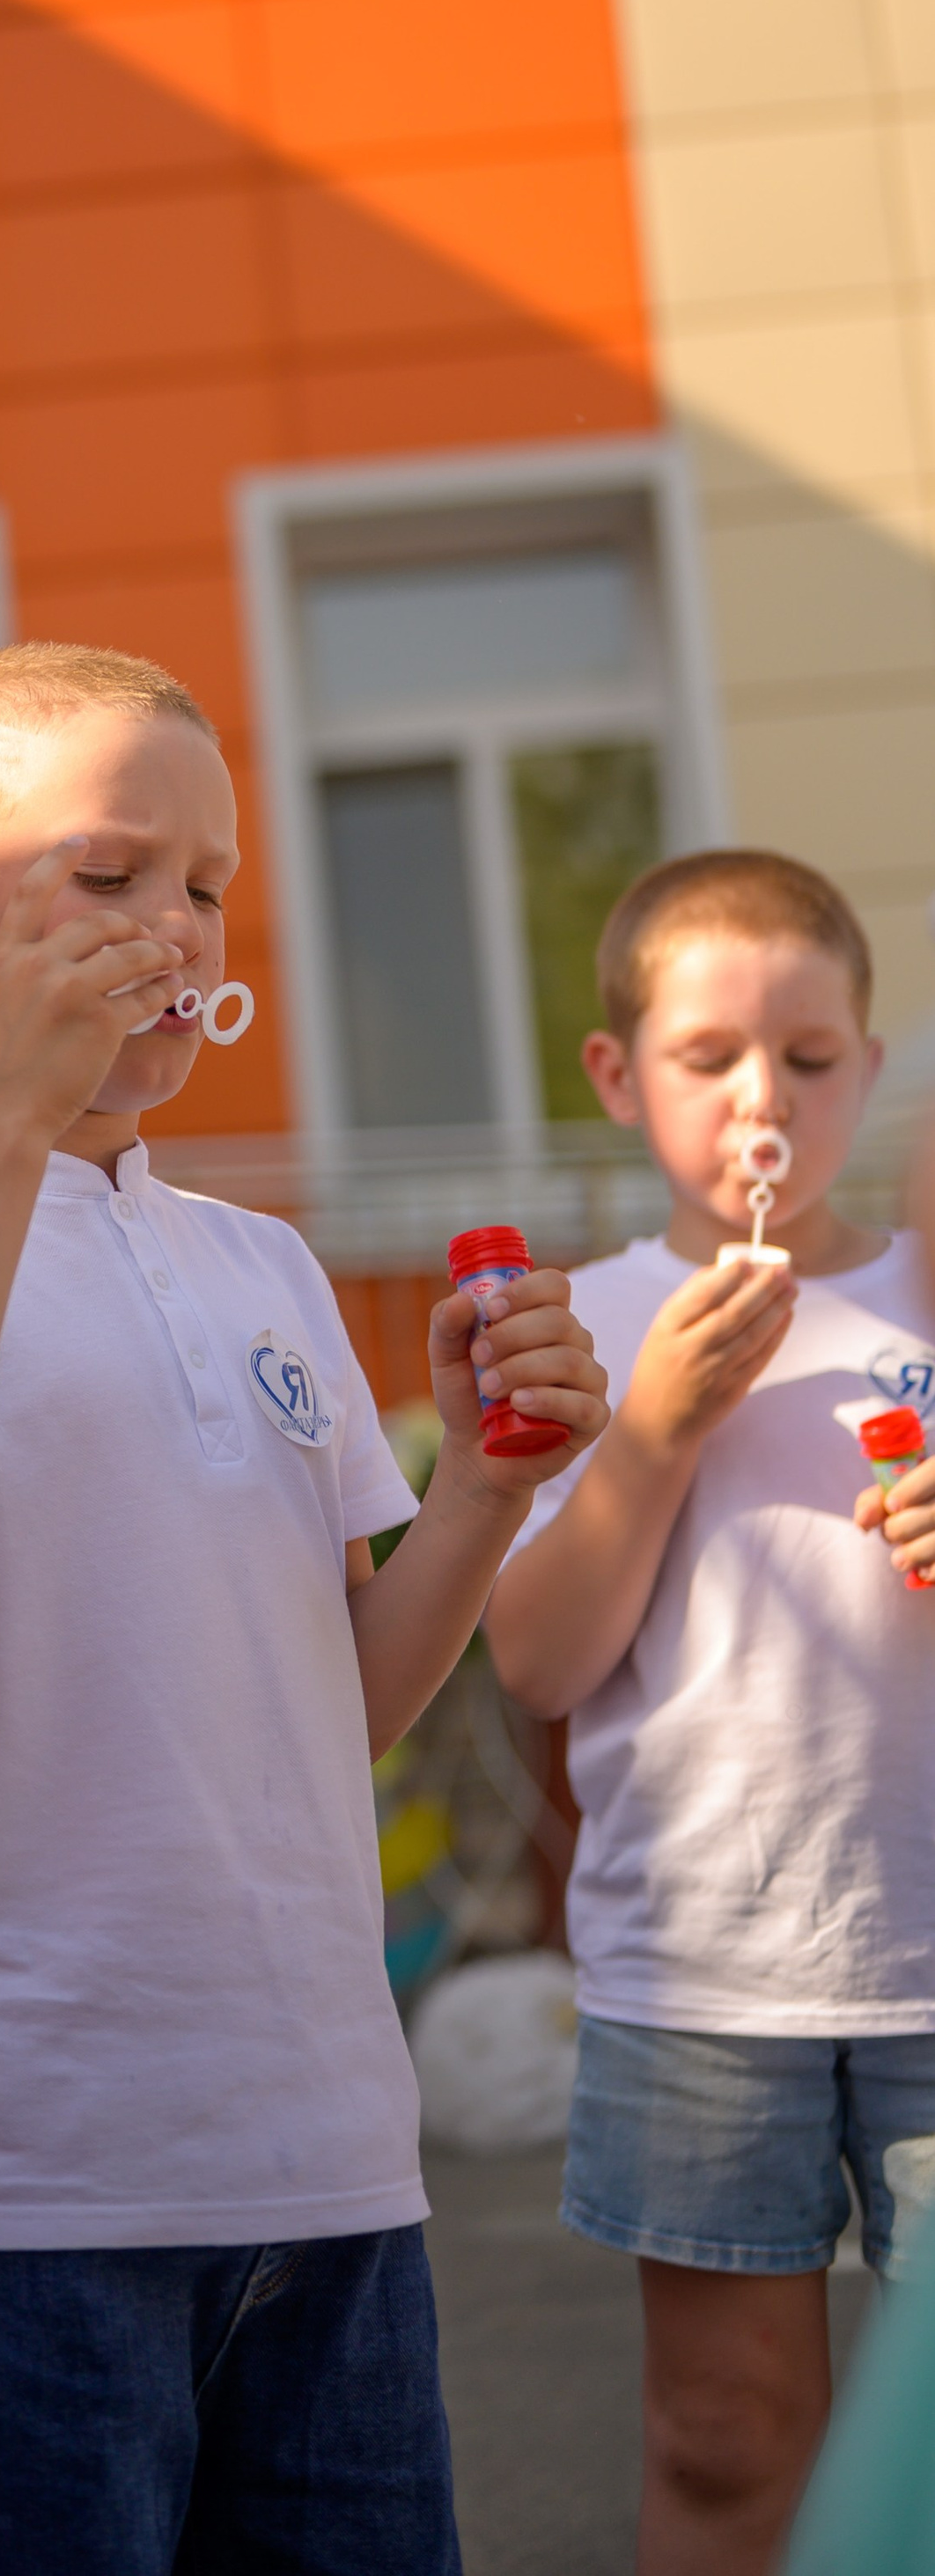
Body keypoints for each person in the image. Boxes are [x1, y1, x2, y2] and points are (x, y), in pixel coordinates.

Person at [0, 642, 610, 2576]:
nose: (177, 927)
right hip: (19, 2187)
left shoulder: (263, 1266)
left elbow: (336, 1703)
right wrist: (7, 1116)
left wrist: (481, 1487)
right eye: (111, 874)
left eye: (204, 884)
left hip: (328, 2156)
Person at [486, 849, 935, 2576]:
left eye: (809, 1059)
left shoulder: (923, 1298)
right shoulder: (581, 1325)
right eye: (708, 1056)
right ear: (616, 1074)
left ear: (867, 1067)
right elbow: (535, 1662)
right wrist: (656, 1428)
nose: (763, 1099)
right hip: (700, 1974)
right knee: (723, 2432)